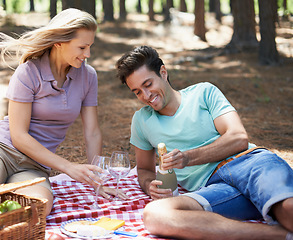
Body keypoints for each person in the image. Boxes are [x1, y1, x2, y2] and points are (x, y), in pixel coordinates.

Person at [0, 8, 124, 216]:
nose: (87, 54)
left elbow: (92, 132)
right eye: (82, 47)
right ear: (59, 42)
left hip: (35, 164)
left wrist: (98, 180)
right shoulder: (28, 72)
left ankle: (1, 193)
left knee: (36, 212)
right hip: (1, 150)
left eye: (90, 47)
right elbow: (18, 136)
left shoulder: (88, 76)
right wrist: (69, 167)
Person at [115, 45, 293, 239]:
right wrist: (150, 184)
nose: (146, 96)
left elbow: (238, 138)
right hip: (212, 188)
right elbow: (144, 170)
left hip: (250, 164)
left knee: (287, 210)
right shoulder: (141, 121)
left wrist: (188, 158)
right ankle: (277, 235)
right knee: (155, 215)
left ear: (163, 73)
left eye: (148, 84)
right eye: (137, 92)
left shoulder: (203, 92)